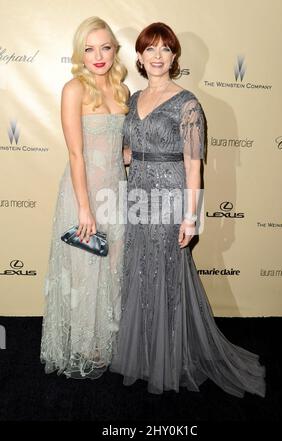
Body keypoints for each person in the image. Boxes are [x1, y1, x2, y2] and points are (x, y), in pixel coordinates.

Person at [110, 22, 266, 397]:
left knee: (166, 273)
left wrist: (191, 216)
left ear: (175, 56)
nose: (158, 56)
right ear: (141, 58)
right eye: (150, 49)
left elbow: (194, 165)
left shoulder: (188, 104)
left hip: (169, 197)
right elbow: (131, 150)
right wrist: (118, 156)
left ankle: (171, 355)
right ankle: (144, 351)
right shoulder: (130, 100)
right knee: (139, 268)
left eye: (165, 49)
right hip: (137, 196)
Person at [40, 16, 129, 379]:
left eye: (105, 47)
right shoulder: (73, 89)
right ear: (80, 52)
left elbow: (118, 149)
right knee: (85, 271)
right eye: (90, 48)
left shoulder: (121, 89)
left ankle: (108, 343)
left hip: (117, 191)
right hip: (84, 192)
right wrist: (83, 208)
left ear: (114, 50)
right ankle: (84, 347)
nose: (98, 55)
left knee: (113, 269)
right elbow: (76, 154)